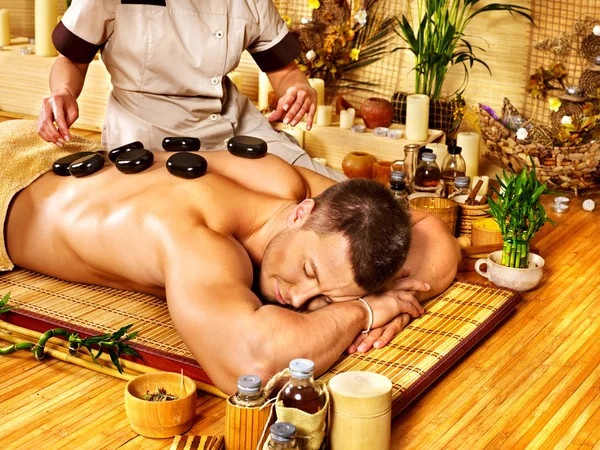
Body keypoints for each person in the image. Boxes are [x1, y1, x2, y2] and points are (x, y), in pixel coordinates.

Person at [4, 132, 460, 394]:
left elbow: (434, 235)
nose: (300, 300)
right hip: (13, 188)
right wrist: (364, 311)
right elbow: (252, 364)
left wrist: (364, 292)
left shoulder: (286, 185)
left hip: (56, 159)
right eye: (309, 274)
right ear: (305, 213)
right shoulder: (201, 241)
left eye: (322, 296)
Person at [36, 0, 344, 181]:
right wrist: (63, 93)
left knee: (325, 188)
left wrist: (299, 88)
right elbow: (72, 61)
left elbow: (284, 71)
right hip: (148, 130)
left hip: (233, 123)